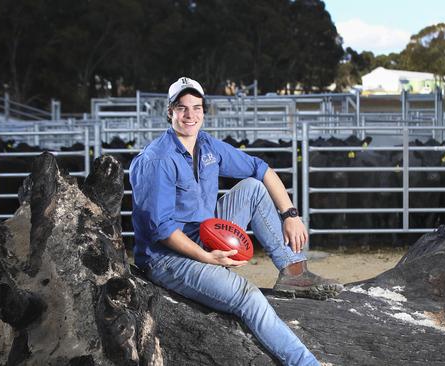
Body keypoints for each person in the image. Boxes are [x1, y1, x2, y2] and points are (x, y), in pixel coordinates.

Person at [129, 77, 342, 365]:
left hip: (202, 232)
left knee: (253, 188)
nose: (190, 115)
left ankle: (293, 271)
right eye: (182, 108)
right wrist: (207, 257)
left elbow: (260, 168)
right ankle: (306, 363)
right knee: (248, 297)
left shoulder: (207, 145)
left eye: (196, 108)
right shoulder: (158, 159)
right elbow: (162, 230)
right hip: (167, 257)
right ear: (170, 112)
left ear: (204, 111)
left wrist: (290, 215)